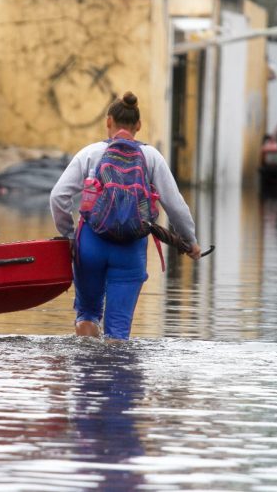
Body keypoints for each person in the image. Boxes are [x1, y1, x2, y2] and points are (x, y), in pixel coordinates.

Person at [50, 91, 201, 340]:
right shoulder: (151, 157)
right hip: (130, 249)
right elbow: (175, 205)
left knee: (87, 314)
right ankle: (116, 375)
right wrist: (190, 240)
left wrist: (68, 235)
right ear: (138, 125)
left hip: (90, 245)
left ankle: (89, 373)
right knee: (118, 329)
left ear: (108, 121)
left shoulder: (90, 153)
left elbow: (58, 197)